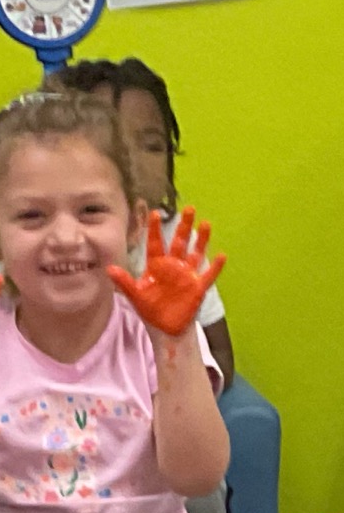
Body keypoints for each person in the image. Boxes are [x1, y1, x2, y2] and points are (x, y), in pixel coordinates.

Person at [0, 86, 229, 513]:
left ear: (135, 224)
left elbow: (198, 476)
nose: (66, 238)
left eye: (92, 211)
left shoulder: (157, 332)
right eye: (32, 216)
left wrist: (174, 342)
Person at [54, 52, 239, 384]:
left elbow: (221, 355)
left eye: (152, 146)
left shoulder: (175, 243)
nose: (133, 162)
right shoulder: (48, 243)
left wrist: (169, 400)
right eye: (111, 145)